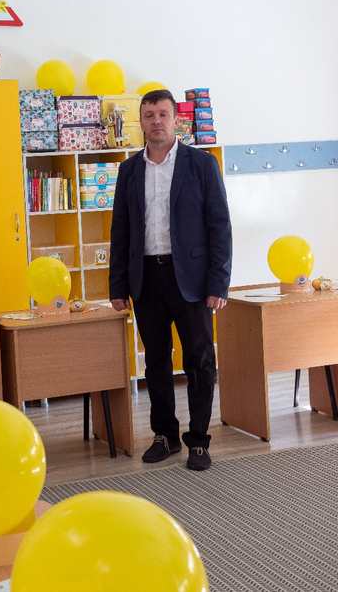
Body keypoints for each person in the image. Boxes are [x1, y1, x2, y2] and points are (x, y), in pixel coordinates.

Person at [109, 89, 232, 471]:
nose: (156, 122)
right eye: (149, 116)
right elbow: (120, 231)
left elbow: (220, 226)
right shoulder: (130, 170)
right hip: (146, 278)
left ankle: (198, 439)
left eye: (163, 114)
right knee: (156, 362)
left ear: (176, 119)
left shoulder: (202, 165)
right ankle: (164, 435)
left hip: (192, 280)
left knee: (200, 360)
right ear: (141, 122)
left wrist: (218, 283)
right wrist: (117, 286)